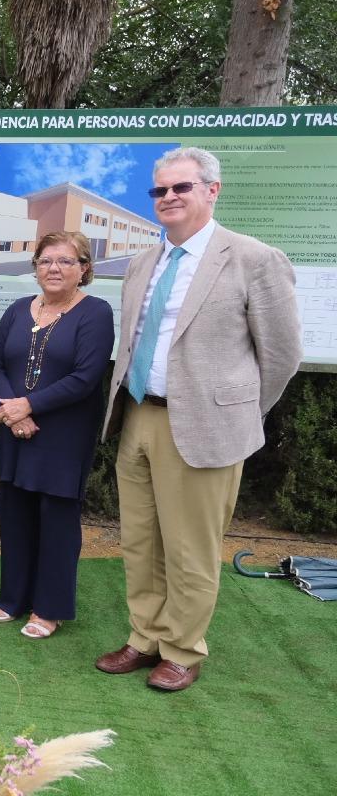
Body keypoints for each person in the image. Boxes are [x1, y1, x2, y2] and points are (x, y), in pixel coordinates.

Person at [95, 147, 302, 691]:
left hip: (204, 428)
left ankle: (183, 650)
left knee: (191, 548)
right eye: (159, 190)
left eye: (180, 188)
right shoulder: (144, 262)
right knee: (141, 541)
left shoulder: (254, 259)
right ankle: (145, 638)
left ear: (212, 190)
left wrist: (234, 414)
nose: (168, 198)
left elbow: (281, 356)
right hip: (137, 416)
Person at [0, 231, 114, 639]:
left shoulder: (96, 312)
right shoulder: (20, 309)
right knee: (15, 512)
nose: (53, 268)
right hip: (16, 430)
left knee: (56, 521)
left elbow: (86, 377)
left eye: (65, 261)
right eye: (45, 261)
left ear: (84, 269)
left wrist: (30, 406)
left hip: (63, 435)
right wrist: (14, 410)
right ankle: (14, 597)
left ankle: (49, 607)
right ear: (35, 267)